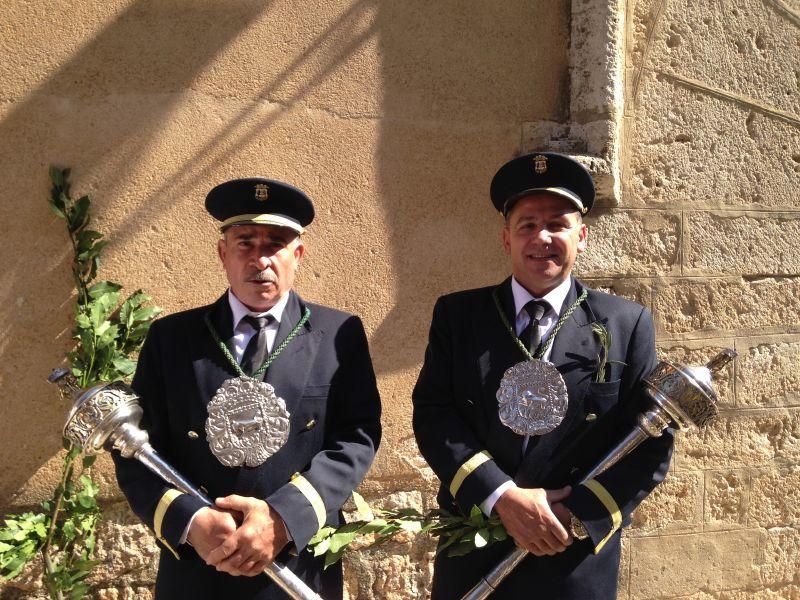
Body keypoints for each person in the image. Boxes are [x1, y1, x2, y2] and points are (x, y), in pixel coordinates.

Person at [413, 152, 673, 599]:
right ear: (506, 238)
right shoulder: (459, 316)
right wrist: (503, 497)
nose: (543, 237)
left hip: (571, 558)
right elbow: (436, 416)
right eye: (528, 224)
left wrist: (572, 518)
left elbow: (651, 441)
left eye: (558, 223)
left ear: (582, 235)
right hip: (477, 547)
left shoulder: (625, 324)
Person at [112, 178, 382, 599]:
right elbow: (135, 453)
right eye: (245, 242)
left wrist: (282, 519)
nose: (260, 260)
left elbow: (356, 439)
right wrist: (189, 522)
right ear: (223, 253)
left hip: (296, 564)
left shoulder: (337, 335)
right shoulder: (171, 340)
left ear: (298, 255)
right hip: (198, 568)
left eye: (275, 243)